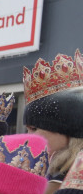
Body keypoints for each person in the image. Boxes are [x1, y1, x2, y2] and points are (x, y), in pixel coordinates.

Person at [23, 49, 83, 186]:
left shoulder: (72, 183)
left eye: (33, 128)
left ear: (68, 128)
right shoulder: (48, 171)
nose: (27, 138)